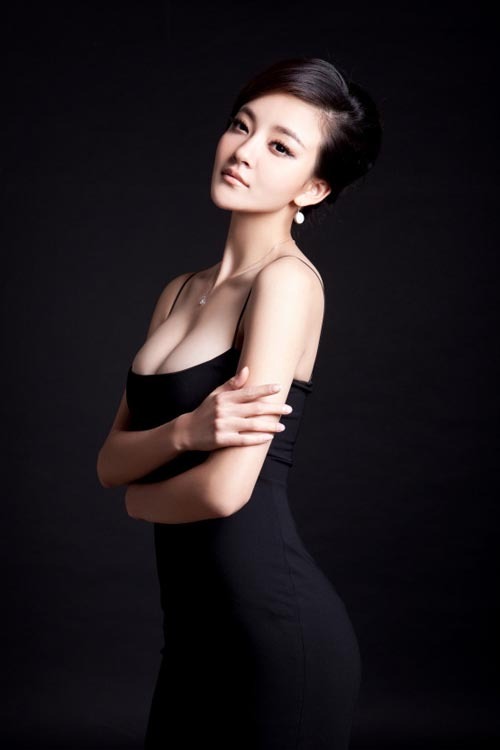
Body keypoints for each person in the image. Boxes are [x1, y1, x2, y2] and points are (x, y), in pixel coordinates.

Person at [97, 56, 382, 749]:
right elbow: (109, 462)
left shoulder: (287, 283)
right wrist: (186, 433)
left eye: (280, 146)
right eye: (241, 125)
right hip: (190, 639)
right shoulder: (178, 291)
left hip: (274, 637)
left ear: (313, 187)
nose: (244, 151)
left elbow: (224, 491)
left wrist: (136, 501)